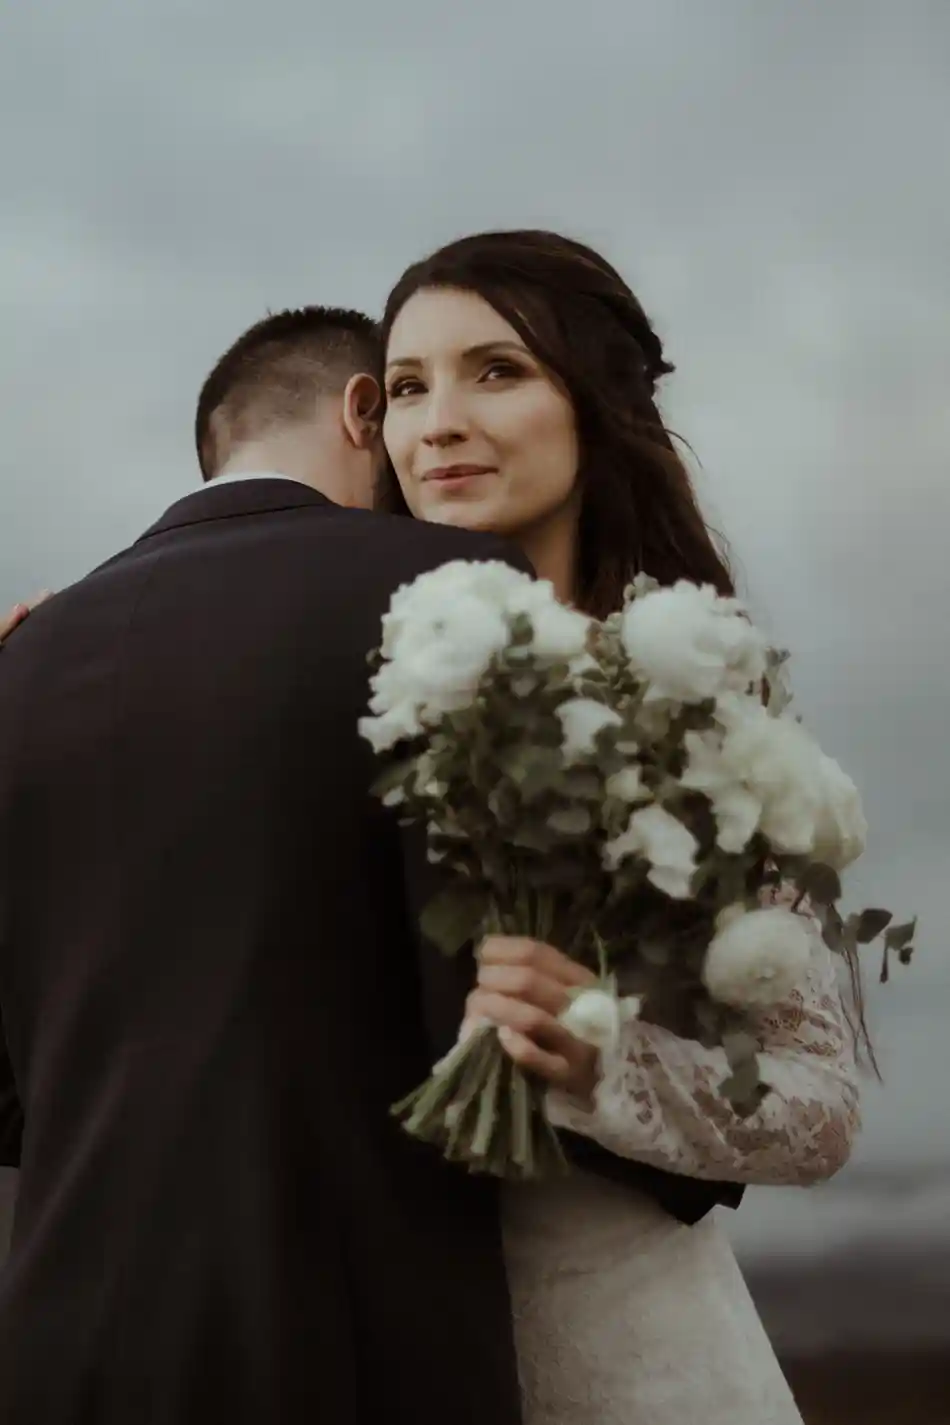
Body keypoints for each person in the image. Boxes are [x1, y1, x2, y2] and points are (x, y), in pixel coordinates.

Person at [0, 306, 543, 1425]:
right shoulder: (453, 588)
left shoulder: (23, 655)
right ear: (360, 411)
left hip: (60, 1335)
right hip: (352, 1332)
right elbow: (488, 1025)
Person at [374, 229, 865, 1425]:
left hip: (631, 1349)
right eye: (404, 386)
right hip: (367, 1340)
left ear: (593, 403)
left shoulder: (706, 709)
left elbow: (818, 1103)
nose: (435, 421)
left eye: (496, 371)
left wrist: (601, 1063)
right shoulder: (340, 676)